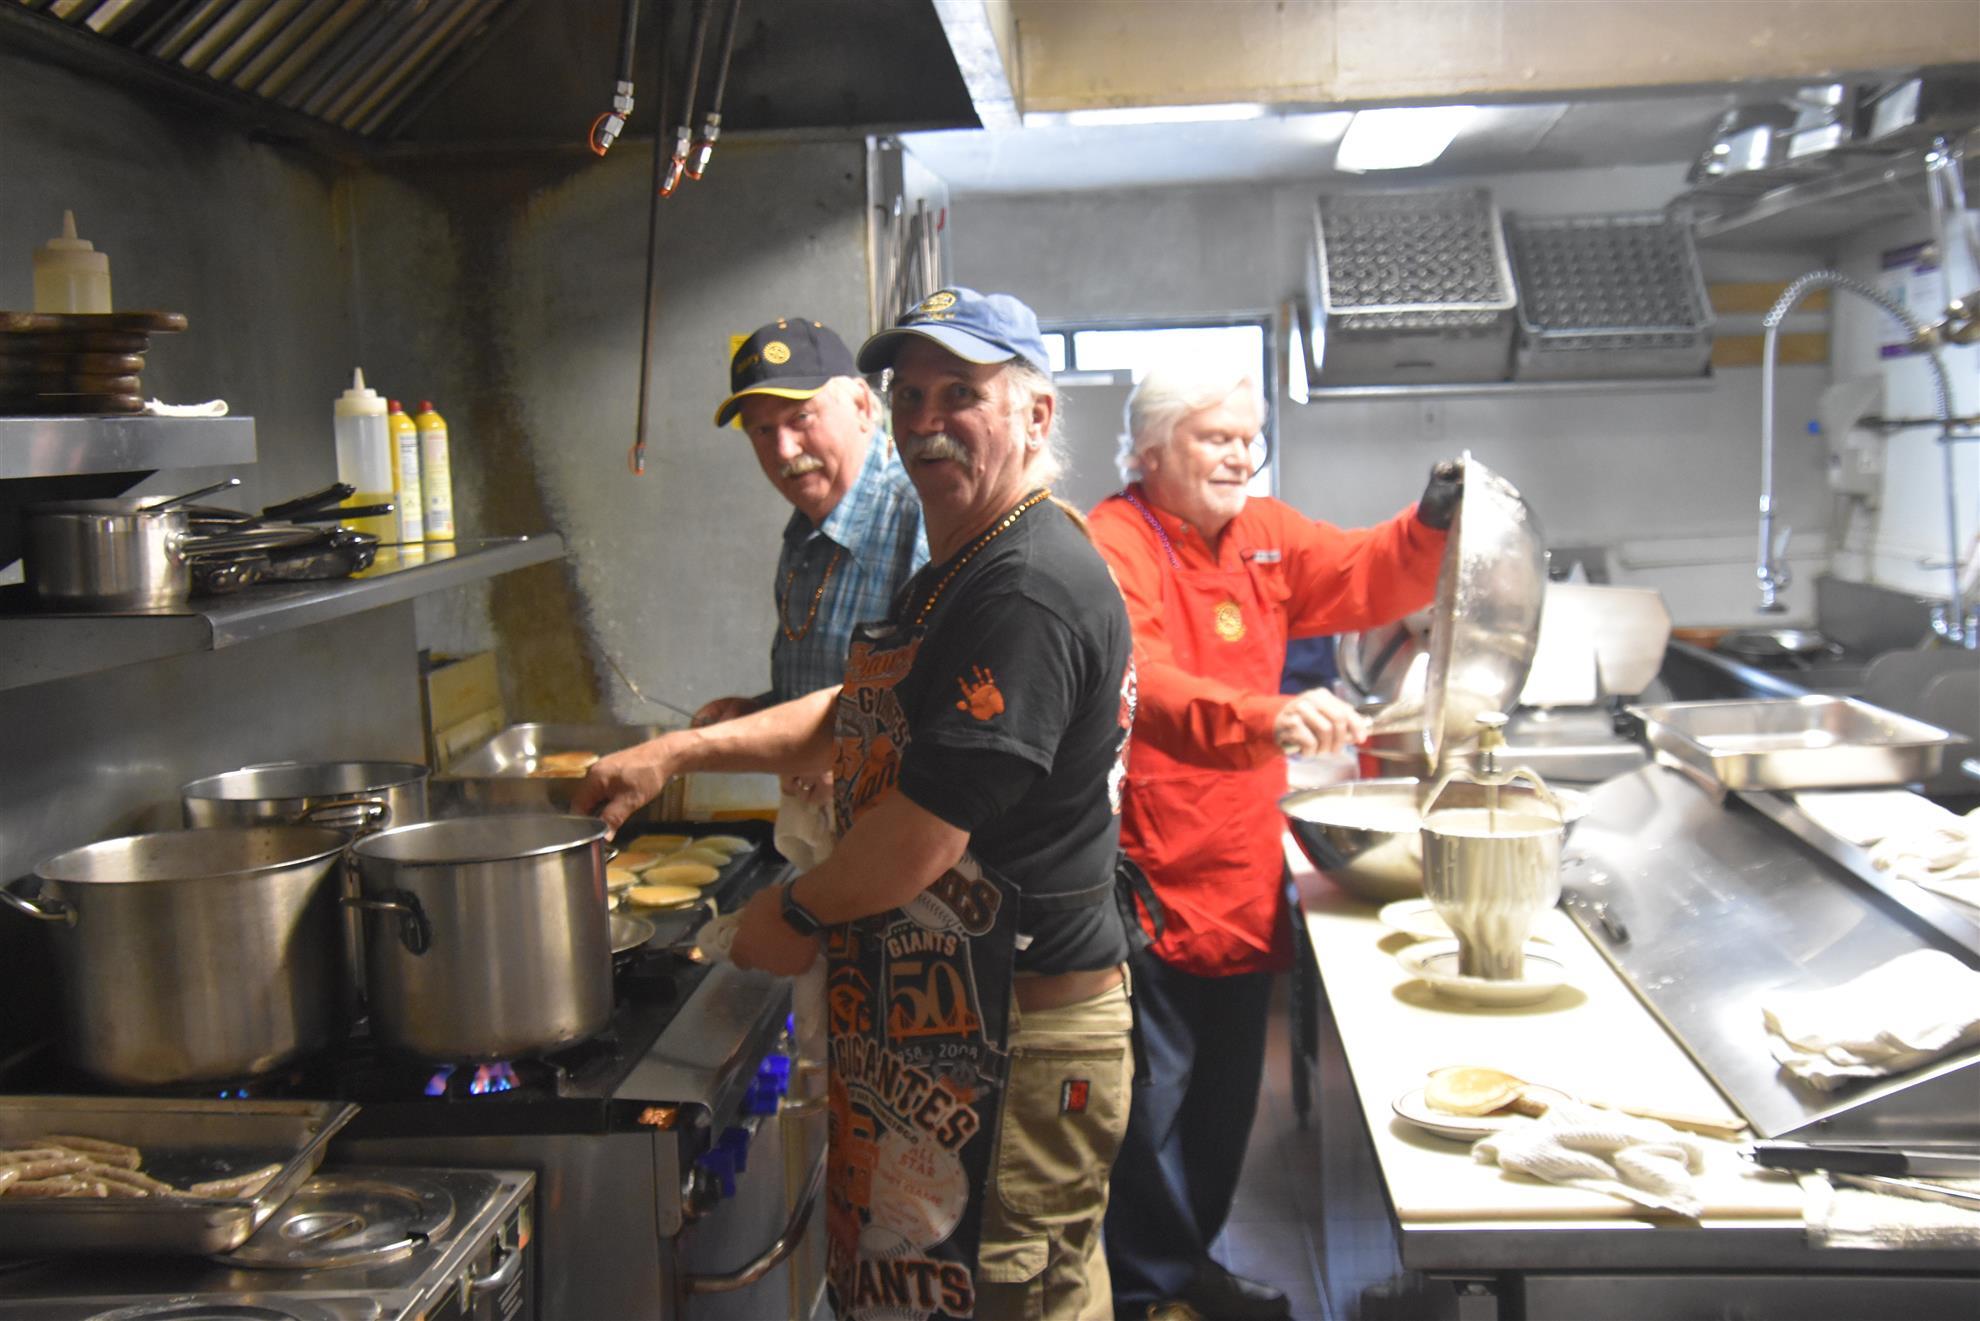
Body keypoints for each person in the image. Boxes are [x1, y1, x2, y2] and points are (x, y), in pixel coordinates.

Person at [576, 287, 1136, 1321]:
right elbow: (855, 706)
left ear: (1036, 415)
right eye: (911, 392)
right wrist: (677, 751)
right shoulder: (965, 561)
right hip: (960, 1029)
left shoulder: (1023, 583)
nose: (926, 419)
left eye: (960, 393)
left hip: (1022, 1037)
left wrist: (791, 914)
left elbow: (926, 833)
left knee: (1011, 1297)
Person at [1088, 363, 1460, 1321]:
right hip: (1149, 873)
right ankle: (1145, 1292)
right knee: (1148, 1109)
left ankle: (1192, 1265)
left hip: (1243, 866)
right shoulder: (1114, 542)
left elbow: (1364, 569)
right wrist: (1266, 715)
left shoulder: (1267, 537)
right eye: (1218, 437)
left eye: (1250, 436)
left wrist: (1429, 522)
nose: (1242, 454)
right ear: (1152, 451)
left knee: (1222, 1105)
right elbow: (1143, 681)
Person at [695, 316, 927, 727]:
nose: (784, 450)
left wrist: (845, 754)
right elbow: (828, 687)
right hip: (818, 791)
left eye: (801, 418)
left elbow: (945, 707)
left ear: (859, 404)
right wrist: (760, 712)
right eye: (762, 431)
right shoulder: (805, 531)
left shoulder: (922, 517)